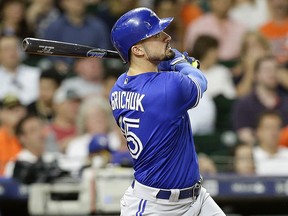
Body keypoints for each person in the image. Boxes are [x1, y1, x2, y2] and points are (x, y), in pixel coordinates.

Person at [110, 7, 225, 216]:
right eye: (156, 35)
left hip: (196, 198)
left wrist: (165, 63)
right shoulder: (168, 87)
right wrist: (181, 63)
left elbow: (149, 81)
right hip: (157, 208)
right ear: (137, 50)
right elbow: (200, 81)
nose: (167, 37)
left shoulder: (118, 87)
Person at [232, 55, 288, 145]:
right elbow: (244, 135)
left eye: (275, 69)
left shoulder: (286, 102)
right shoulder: (244, 104)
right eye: (267, 70)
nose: (272, 73)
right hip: (256, 153)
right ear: (255, 75)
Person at [253, 110, 288, 176]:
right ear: (258, 131)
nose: (273, 133)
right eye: (268, 128)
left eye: (276, 128)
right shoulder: (250, 155)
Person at [0, 94, 26, 175]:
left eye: (18, 109)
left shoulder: (30, 136)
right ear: (1, 114)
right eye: (10, 109)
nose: (16, 112)